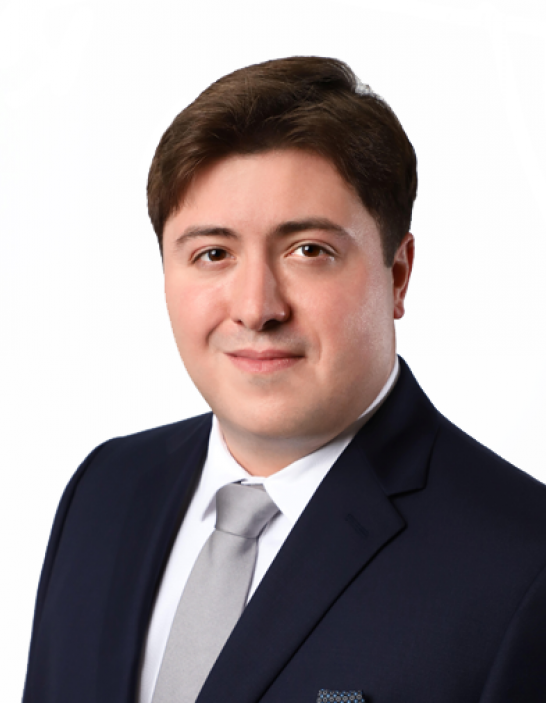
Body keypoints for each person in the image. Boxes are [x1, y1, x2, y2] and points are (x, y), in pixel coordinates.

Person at [23, 56, 546, 703]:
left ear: (398, 274)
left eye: (309, 251)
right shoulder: (104, 490)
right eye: (213, 253)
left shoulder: (524, 565)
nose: (256, 307)